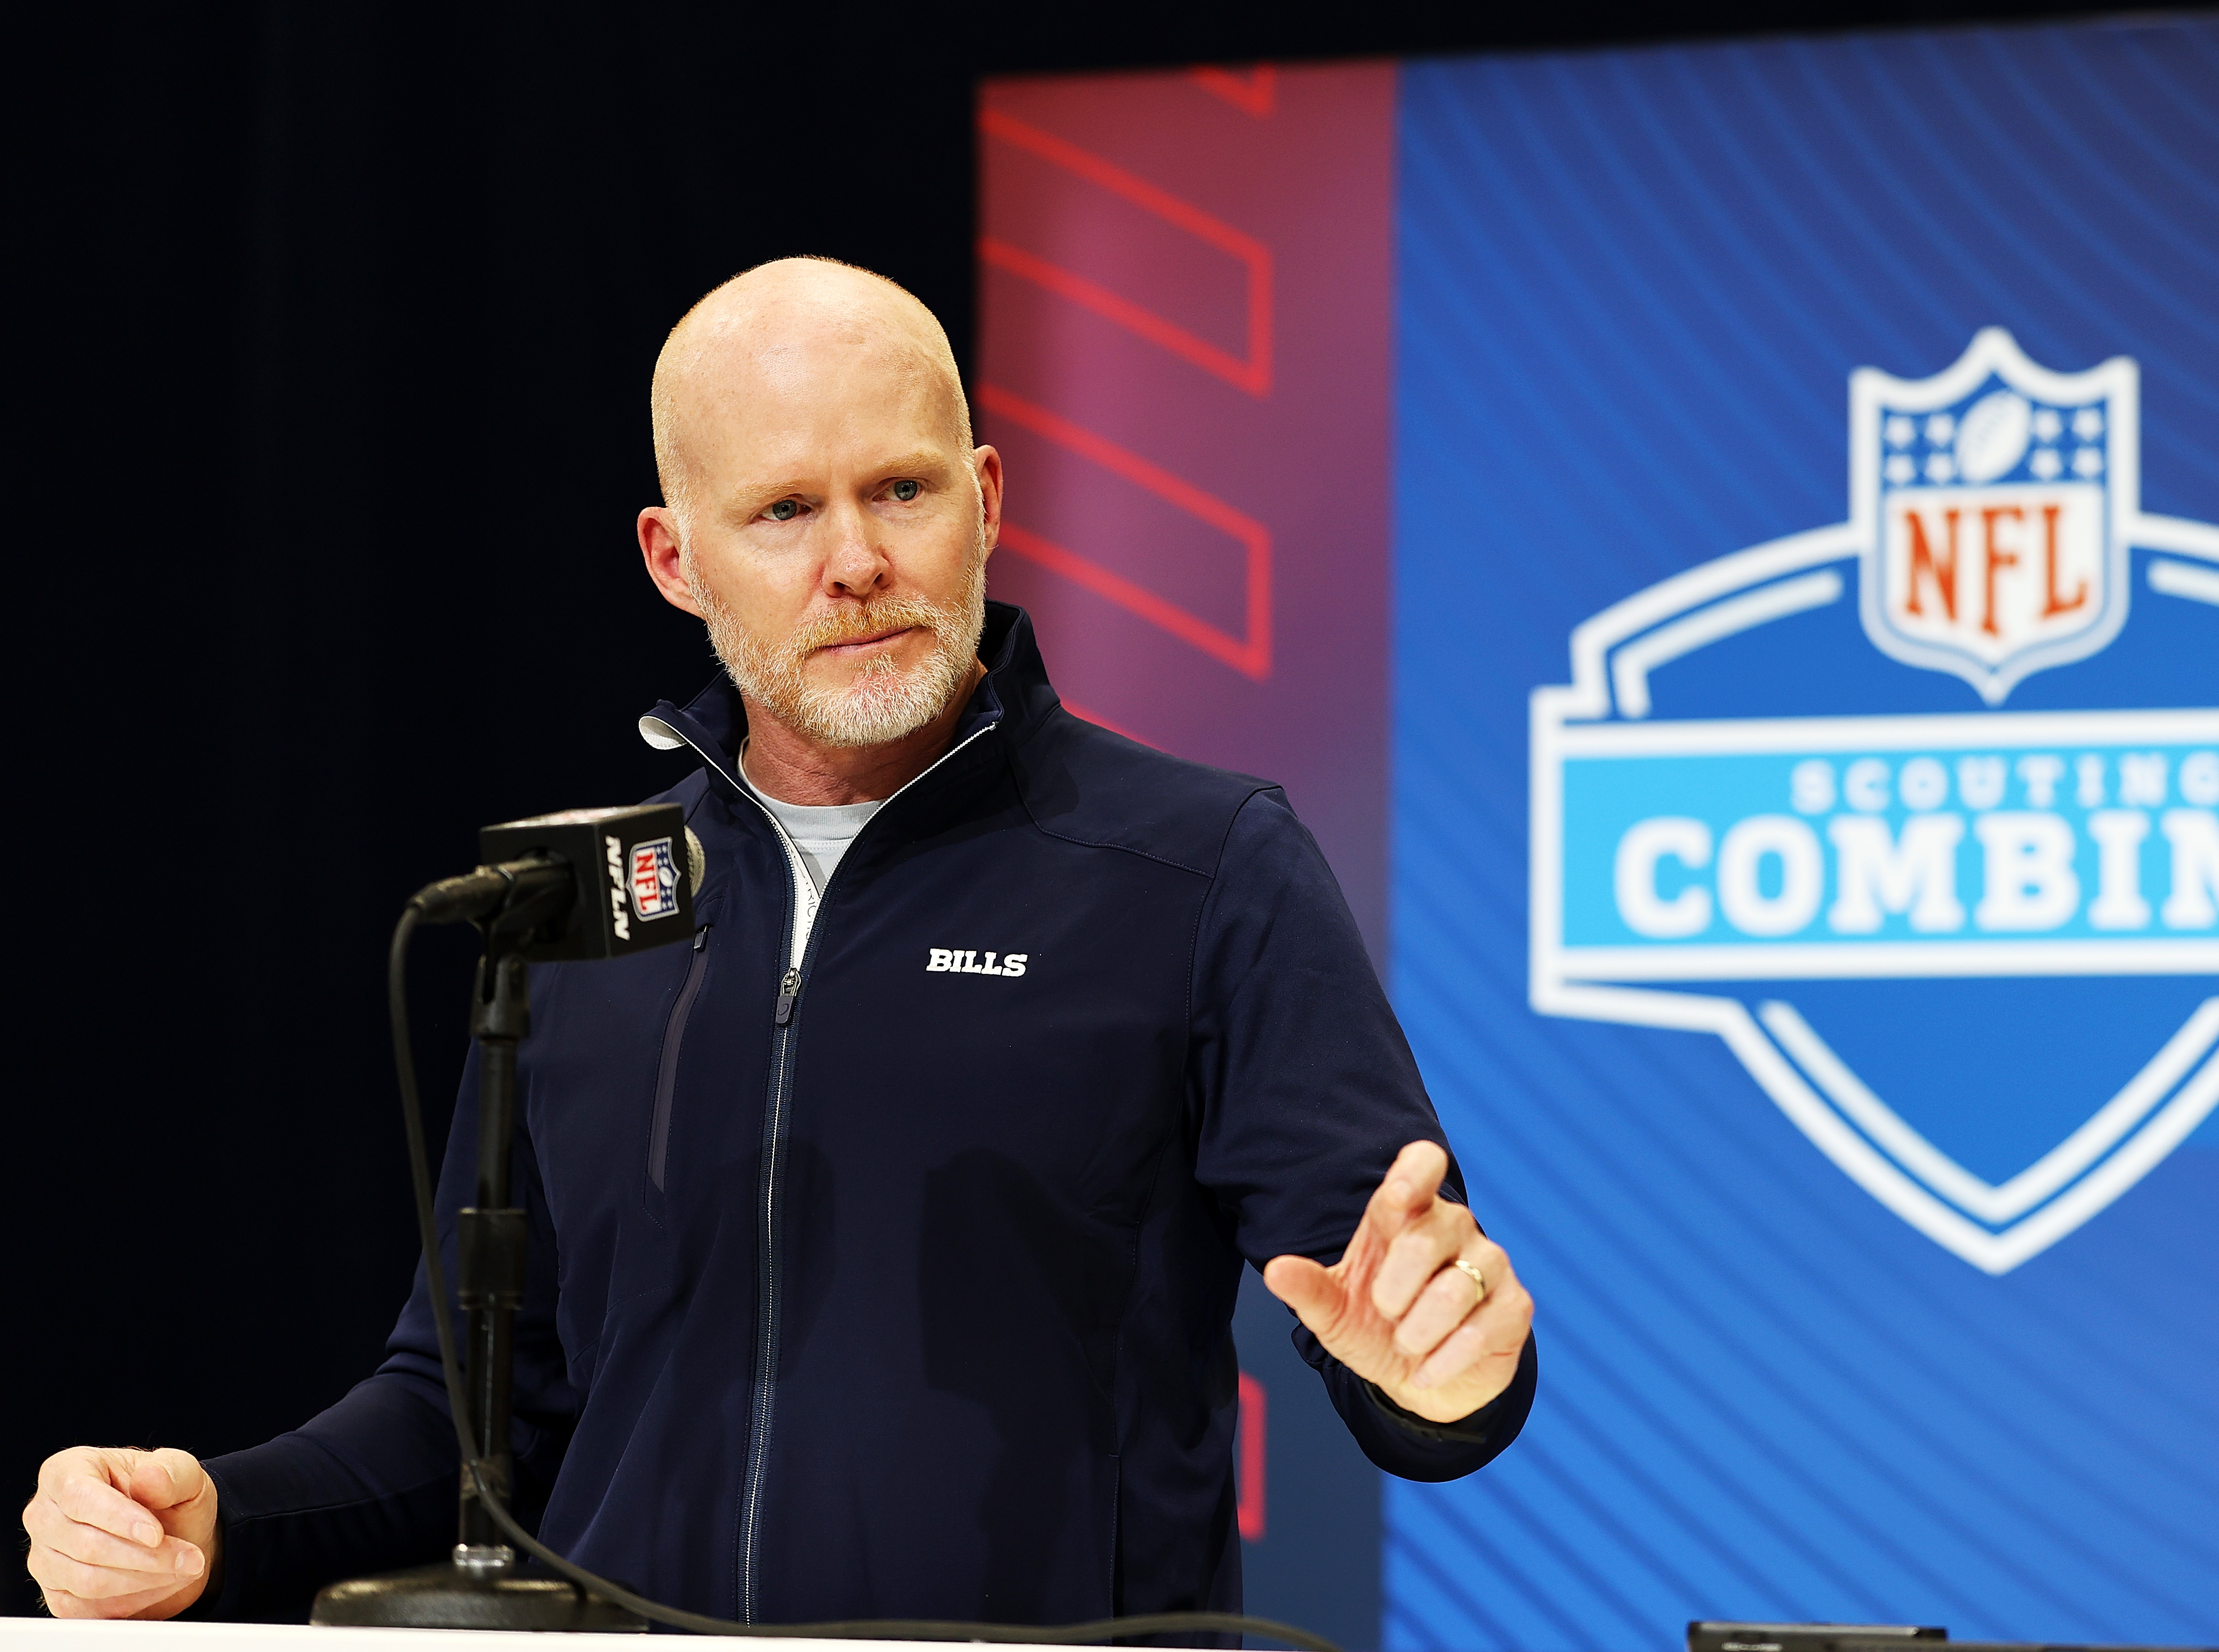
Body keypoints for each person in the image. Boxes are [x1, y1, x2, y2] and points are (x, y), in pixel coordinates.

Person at [22, 258, 1538, 1625]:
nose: (860, 560)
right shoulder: (581, 908)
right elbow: (469, 1415)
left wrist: (1445, 1380)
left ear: (990, 500)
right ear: (676, 561)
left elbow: (1410, 1325)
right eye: (784, 511)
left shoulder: (1202, 867)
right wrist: (220, 1515)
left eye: (903, 490)